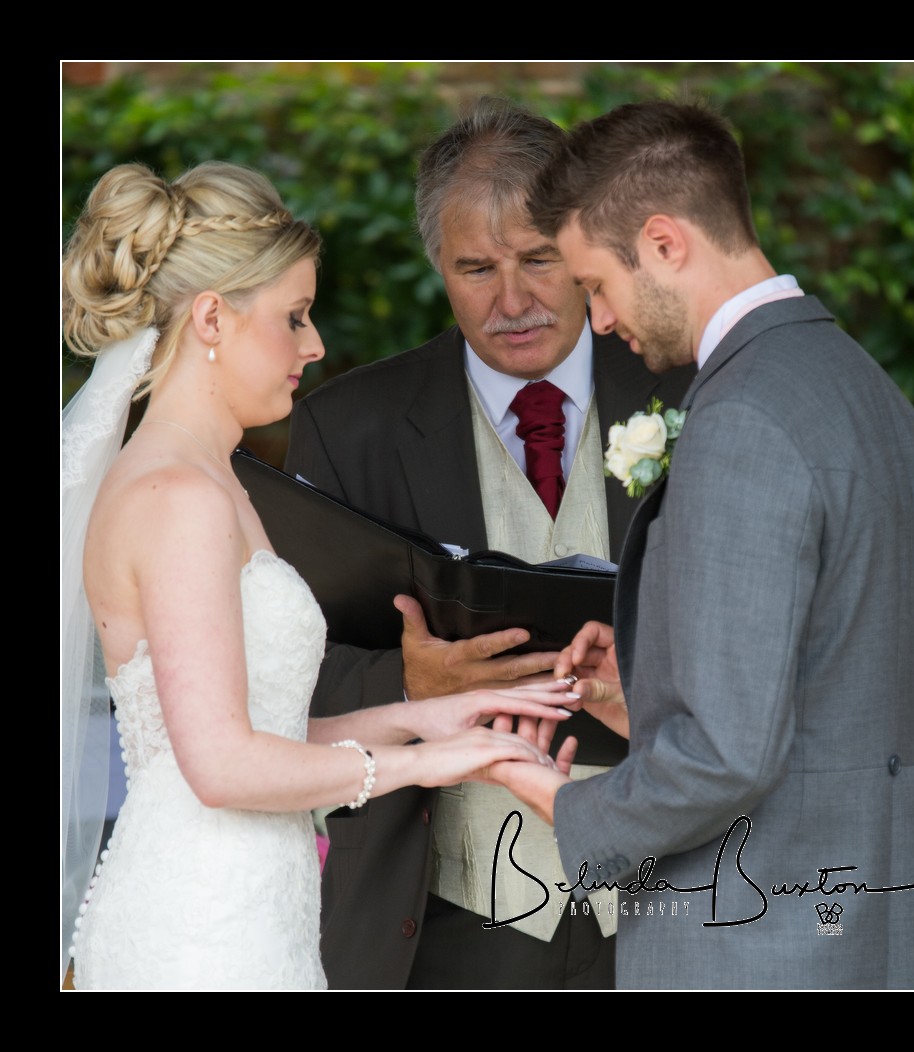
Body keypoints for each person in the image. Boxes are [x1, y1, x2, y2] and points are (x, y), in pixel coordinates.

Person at [60, 160, 578, 991]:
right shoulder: (180, 497)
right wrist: (424, 765)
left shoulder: (211, 480)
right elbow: (221, 768)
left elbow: (255, 735)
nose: (315, 345)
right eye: (294, 317)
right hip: (201, 931)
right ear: (212, 317)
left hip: (250, 907)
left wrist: (425, 718)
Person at [490, 99, 914, 990]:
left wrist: (564, 802)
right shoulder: (875, 397)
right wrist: (664, 691)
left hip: (754, 951)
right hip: (883, 947)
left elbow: (727, 758)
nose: (598, 320)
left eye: (596, 284)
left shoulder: (742, 416)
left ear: (665, 243)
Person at [285, 98, 694, 989]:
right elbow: (287, 672)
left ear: (584, 246)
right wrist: (406, 684)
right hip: (448, 916)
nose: (513, 302)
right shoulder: (347, 429)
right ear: (438, 263)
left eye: (539, 259)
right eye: (477, 268)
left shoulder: (694, 394)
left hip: (677, 899)